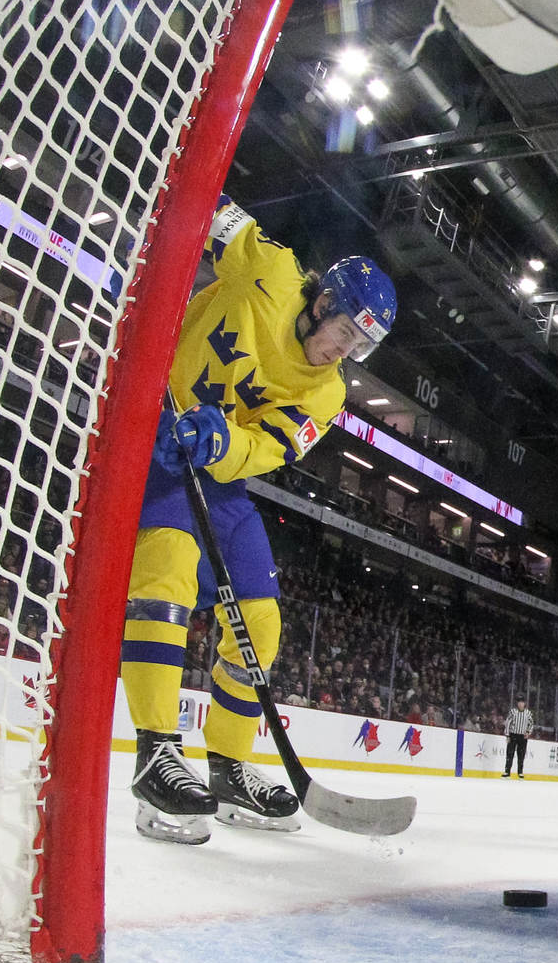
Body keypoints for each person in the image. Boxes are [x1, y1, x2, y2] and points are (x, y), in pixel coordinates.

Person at [123, 197, 395, 843]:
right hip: (156, 444)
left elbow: (271, 446)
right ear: (323, 302)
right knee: (167, 580)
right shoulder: (269, 272)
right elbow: (205, 205)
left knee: (260, 624)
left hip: (217, 476)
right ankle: (156, 751)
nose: (341, 354)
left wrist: (222, 446)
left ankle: (226, 764)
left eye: (357, 348)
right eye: (344, 335)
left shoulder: (325, 394)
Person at [504, 699, 533, 778]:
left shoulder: (528, 713)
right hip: (513, 735)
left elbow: (531, 724)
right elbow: (507, 723)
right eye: (519, 702)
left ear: (524, 704)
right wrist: (507, 735)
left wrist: (528, 732)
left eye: (522, 702)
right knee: (510, 754)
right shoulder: (513, 712)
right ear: (517, 703)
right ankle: (507, 771)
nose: (520, 704)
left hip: (522, 737)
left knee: (521, 755)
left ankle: (520, 772)